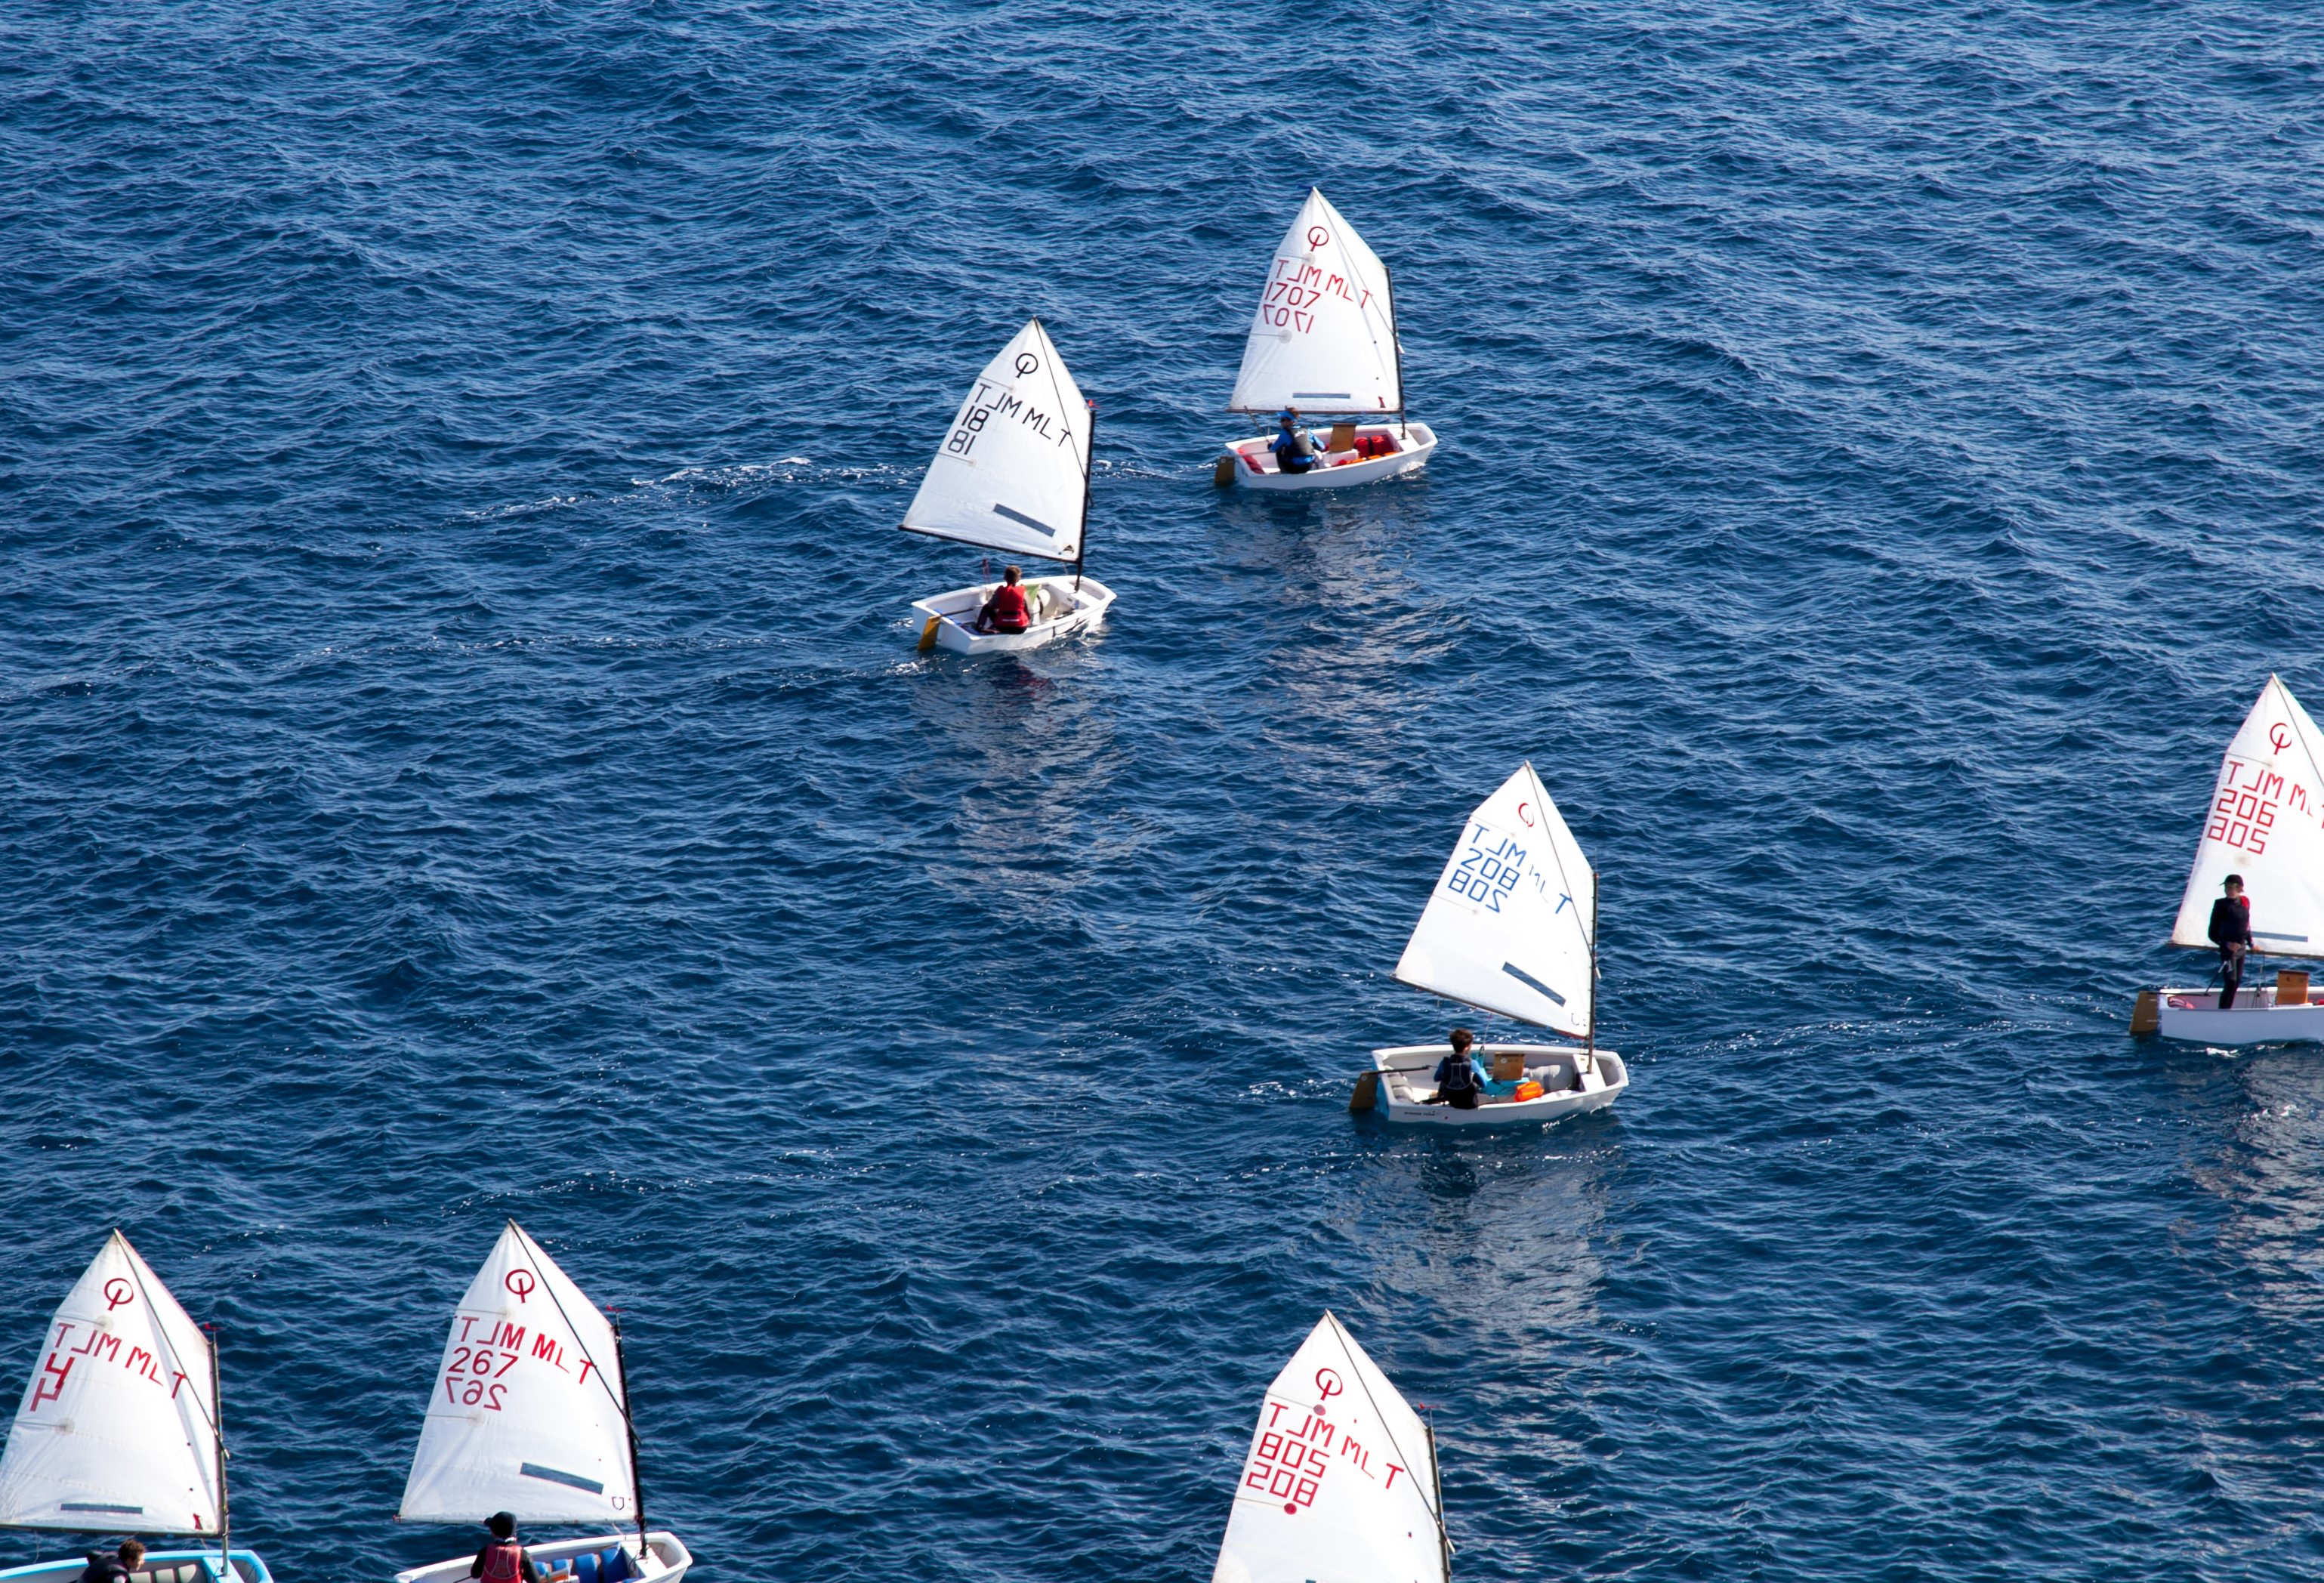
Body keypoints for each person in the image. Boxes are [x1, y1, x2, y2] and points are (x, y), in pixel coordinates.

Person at [2210, 873, 2254, 1011]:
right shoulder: (2220, 905)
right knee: (2231, 981)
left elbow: (2246, 927)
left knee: (2237, 982)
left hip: (2241, 949)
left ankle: (2227, 1010)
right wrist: (2227, 944)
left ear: (2240, 889)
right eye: (2226, 887)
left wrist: (2251, 943)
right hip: (2228, 951)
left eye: (2231, 887)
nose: (2227, 890)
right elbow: (2212, 934)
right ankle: (2223, 1012)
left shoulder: (2245, 902)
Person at [1424, 1028, 1488, 1109]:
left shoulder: (1444, 1063)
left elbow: (1436, 1079)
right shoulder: (1473, 1064)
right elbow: (1484, 1085)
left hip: (1452, 1101)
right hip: (1470, 1104)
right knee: (1492, 1099)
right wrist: (1481, 1070)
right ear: (1466, 1047)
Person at [472, 1513, 543, 1583]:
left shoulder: (485, 1551)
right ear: (514, 1532)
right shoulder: (523, 1554)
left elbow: (475, 1574)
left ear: (493, 1532)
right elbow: (535, 1581)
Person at [974, 565, 1033, 634]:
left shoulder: (1000, 591)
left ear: (1004, 578)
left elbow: (991, 605)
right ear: (1018, 579)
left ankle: (980, 628)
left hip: (1002, 627)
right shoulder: (1023, 591)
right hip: (1020, 628)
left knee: (986, 607)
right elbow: (1029, 610)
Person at [1270, 409, 1316, 474]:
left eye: (1282, 420)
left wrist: (1270, 446)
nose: (1280, 422)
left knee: (1279, 451)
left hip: (1293, 469)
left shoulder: (1285, 433)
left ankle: (1284, 472)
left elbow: (1273, 449)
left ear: (1291, 421)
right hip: (1308, 466)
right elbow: (1321, 446)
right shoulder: (1307, 430)